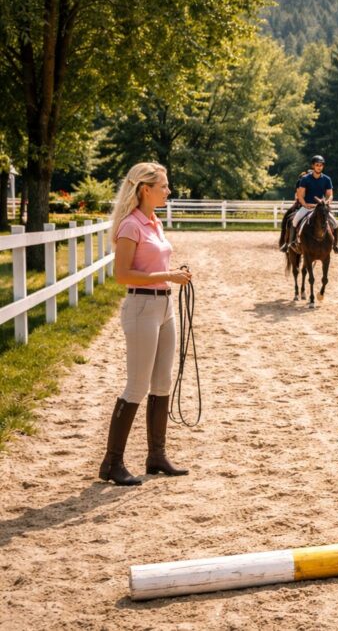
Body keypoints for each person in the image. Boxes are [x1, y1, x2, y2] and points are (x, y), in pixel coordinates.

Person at [100, 162, 192, 486]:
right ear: (145, 190)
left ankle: (156, 456)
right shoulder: (130, 226)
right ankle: (112, 462)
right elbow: (122, 275)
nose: (168, 191)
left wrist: (171, 275)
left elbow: (154, 262)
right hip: (141, 306)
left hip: (164, 306)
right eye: (164, 186)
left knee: (163, 382)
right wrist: (168, 275)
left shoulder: (155, 222)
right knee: (136, 385)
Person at [280, 155, 338, 254]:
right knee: (294, 221)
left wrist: (326, 203)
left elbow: (330, 195)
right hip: (307, 206)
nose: (319, 167)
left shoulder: (327, 179)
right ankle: (290, 243)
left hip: (320, 207)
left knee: (336, 223)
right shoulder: (305, 179)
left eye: (321, 165)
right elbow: (300, 195)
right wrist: (305, 205)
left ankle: (335, 245)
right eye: (317, 165)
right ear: (313, 166)